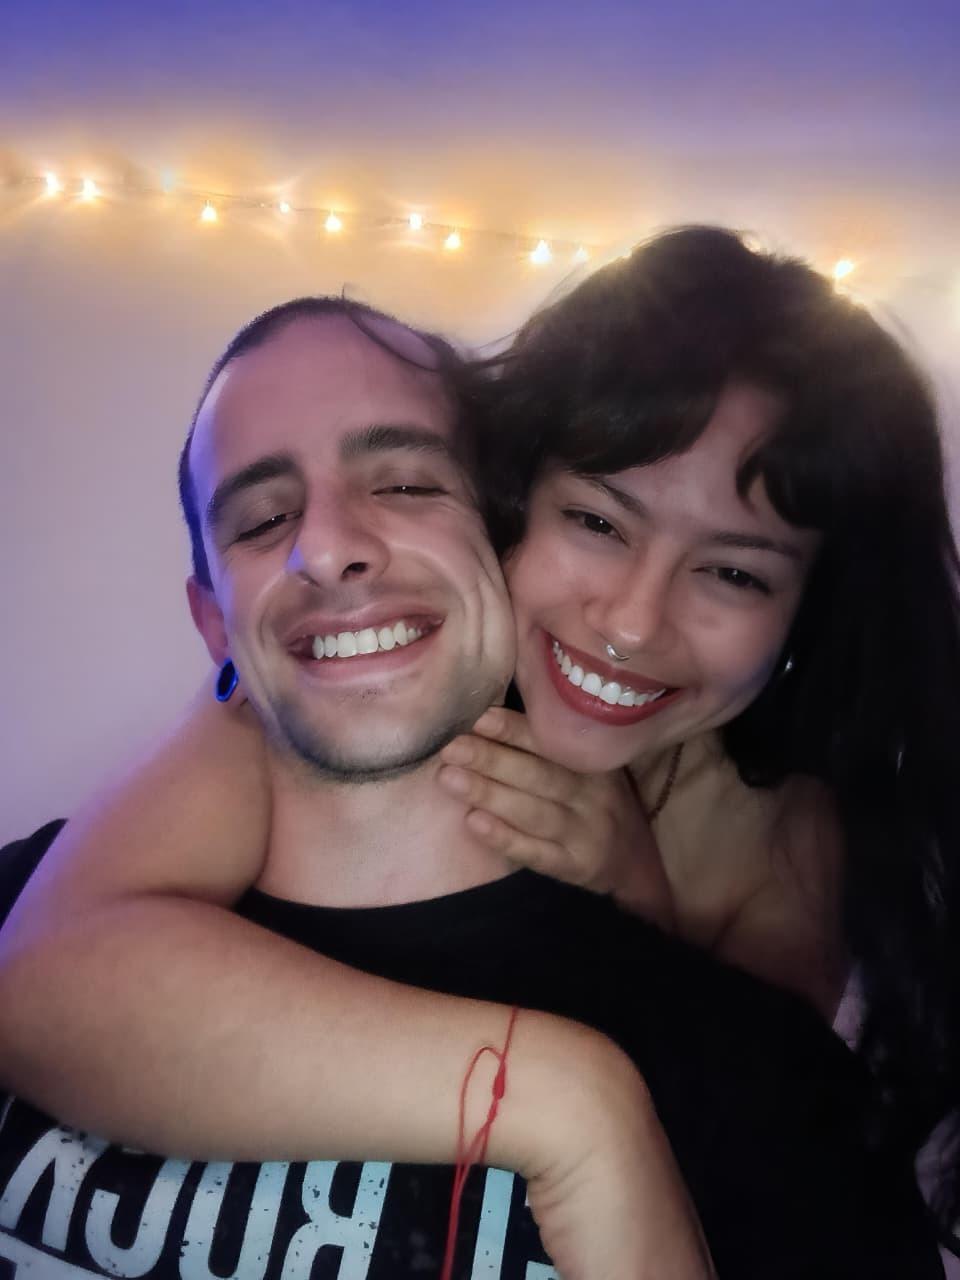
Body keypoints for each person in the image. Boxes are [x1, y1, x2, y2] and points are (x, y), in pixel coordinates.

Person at [0, 248, 948, 1275]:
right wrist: (555, 1100)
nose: (631, 622)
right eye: (595, 521)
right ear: (509, 505)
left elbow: (754, 1123)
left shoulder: (781, 840)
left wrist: (635, 908)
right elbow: (45, 976)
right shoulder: (169, 800)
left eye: (733, 573)